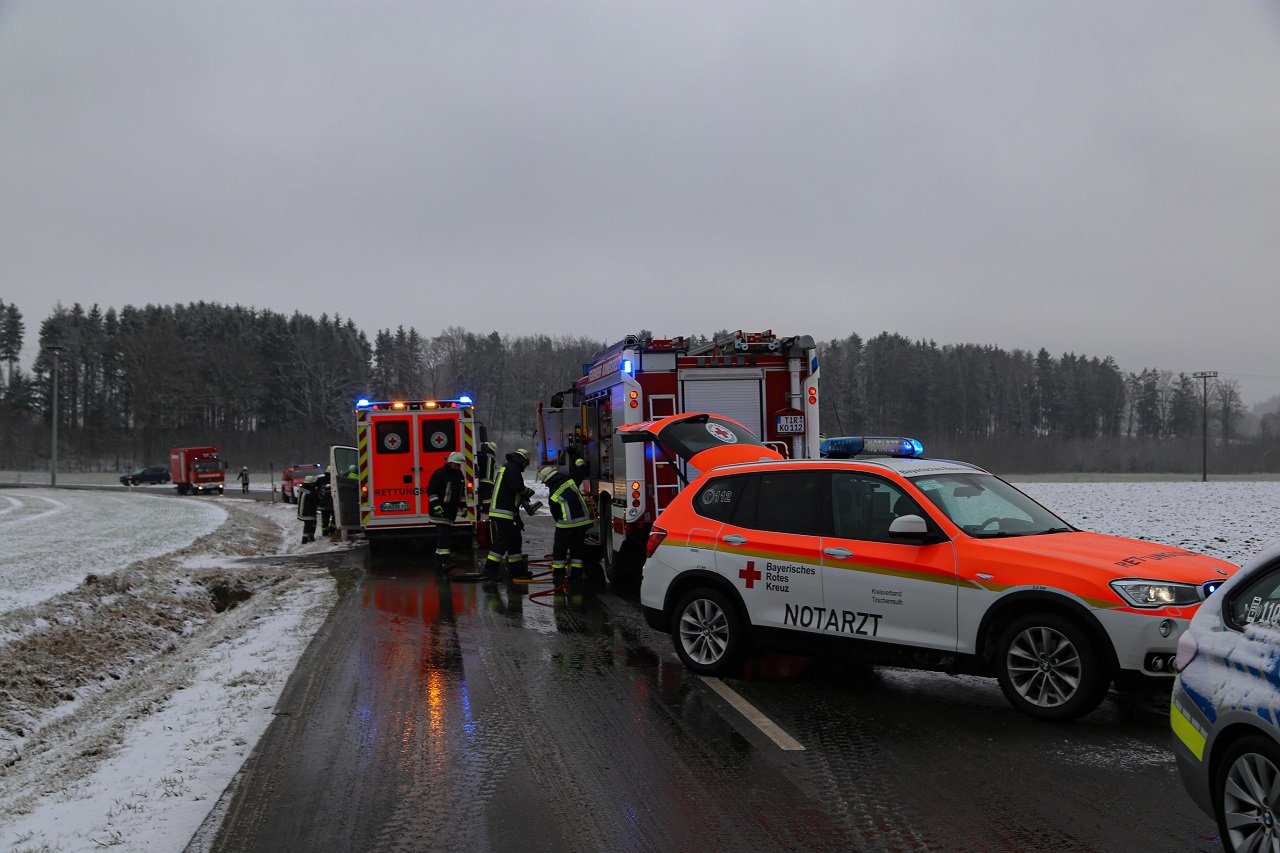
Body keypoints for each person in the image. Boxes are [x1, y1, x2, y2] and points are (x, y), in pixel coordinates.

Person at [484, 448, 536, 585]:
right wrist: (528, 492)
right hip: (504, 512)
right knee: (502, 542)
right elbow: (517, 487)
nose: (526, 466)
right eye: (526, 463)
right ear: (522, 460)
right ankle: (489, 569)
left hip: (506, 511)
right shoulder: (513, 469)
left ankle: (517, 571)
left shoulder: (508, 467)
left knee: (515, 540)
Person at [538, 465, 593, 587]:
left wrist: (563, 523)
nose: (546, 485)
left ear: (549, 480)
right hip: (582, 523)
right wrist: (576, 457)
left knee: (559, 552)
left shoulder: (553, 495)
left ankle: (558, 577)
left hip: (565, 526)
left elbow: (555, 514)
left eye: (546, 483)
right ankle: (576, 576)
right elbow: (582, 469)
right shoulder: (571, 481)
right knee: (577, 550)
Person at [427, 451, 466, 571]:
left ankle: (439, 564)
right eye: (456, 464)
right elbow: (431, 491)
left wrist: (463, 506)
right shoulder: (439, 474)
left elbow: (461, 493)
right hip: (440, 511)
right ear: (450, 463)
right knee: (444, 537)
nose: (458, 467)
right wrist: (436, 505)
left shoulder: (459, 476)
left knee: (445, 537)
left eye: (459, 465)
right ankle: (445, 562)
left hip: (450, 512)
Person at [476, 441, 497, 514]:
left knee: (484, 496)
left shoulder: (485, 456)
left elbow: (478, 459)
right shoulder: (492, 457)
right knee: (487, 497)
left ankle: (485, 508)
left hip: (485, 480)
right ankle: (486, 508)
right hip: (490, 481)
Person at [296, 474, 318, 544]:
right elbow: (315, 499)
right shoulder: (311, 491)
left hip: (301, 511)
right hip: (308, 512)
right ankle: (305, 539)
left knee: (309, 524)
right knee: (309, 524)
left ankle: (309, 537)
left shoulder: (302, 488)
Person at [315, 469, 335, 536]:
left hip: (323, 505)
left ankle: (325, 533)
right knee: (335, 519)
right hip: (333, 505)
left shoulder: (320, 480)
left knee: (325, 521)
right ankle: (332, 531)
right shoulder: (335, 479)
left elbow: (315, 488)